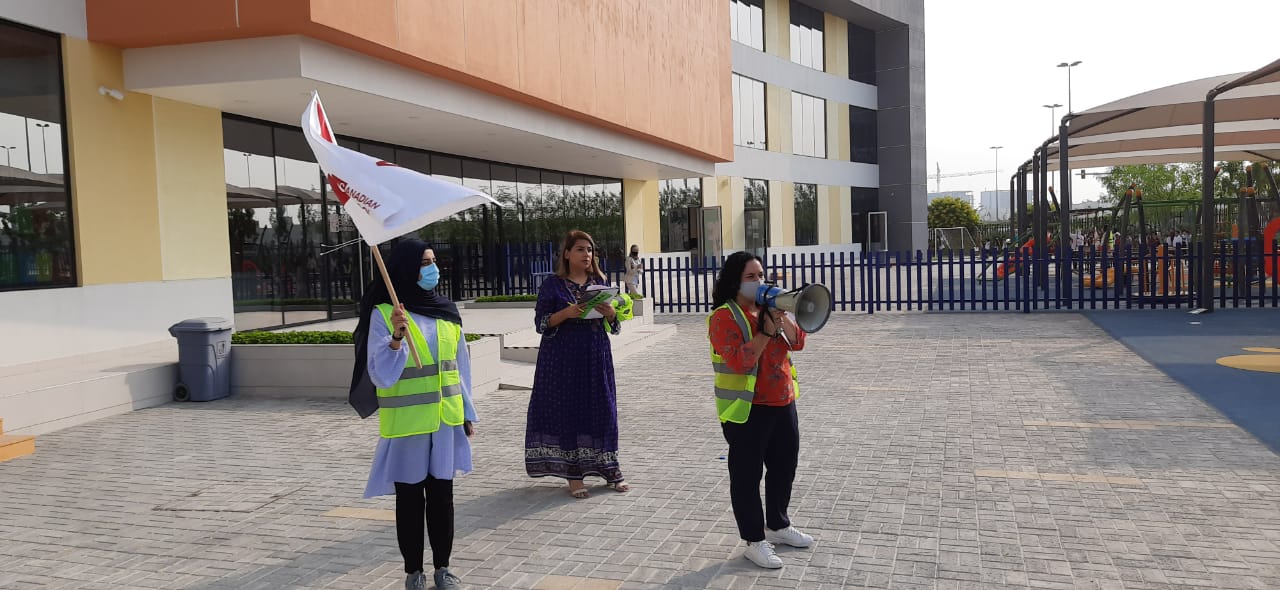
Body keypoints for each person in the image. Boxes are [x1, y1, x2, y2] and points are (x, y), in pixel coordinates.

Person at [349, 239, 476, 590]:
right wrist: (395, 338)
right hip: (408, 423)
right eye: (424, 262)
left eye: (433, 261)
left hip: (446, 419)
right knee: (409, 499)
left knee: (442, 495)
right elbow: (381, 374)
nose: (432, 269)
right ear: (406, 267)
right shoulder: (385, 313)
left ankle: (443, 568)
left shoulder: (447, 312)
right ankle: (413, 572)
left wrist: (467, 412)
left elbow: (460, 367)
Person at [707, 251, 812, 569]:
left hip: (783, 401)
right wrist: (765, 330)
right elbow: (740, 361)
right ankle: (754, 539)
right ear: (734, 281)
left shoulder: (771, 309)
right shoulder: (724, 317)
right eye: (750, 277)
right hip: (746, 409)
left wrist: (785, 317)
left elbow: (799, 342)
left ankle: (778, 525)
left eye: (761, 275)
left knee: (784, 466)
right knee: (747, 476)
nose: (759, 282)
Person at [525, 230, 630, 499]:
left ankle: (609, 467)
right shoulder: (553, 285)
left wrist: (611, 313)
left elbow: (614, 327)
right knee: (569, 412)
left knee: (603, 409)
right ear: (567, 254)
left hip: (595, 356)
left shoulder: (600, 283)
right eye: (581, 249)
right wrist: (567, 313)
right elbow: (541, 323)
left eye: (590, 250)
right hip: (563, 360)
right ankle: (573, 474)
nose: (587, 254)